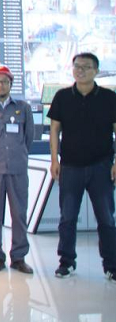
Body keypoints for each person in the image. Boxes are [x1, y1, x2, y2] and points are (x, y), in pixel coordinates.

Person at [47, 52, 116, 280]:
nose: (81, 70)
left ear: (96, 71)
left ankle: (111, 265)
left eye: (86, 67)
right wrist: (54, 160)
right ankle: (66, 262)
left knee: (106, 218)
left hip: (101, 166)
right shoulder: (62, 96)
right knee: (67, 217)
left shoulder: (109, 97)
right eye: (77, 66)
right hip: (70, 166)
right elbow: (55, 130)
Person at [0, 65, 34, 274]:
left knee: (19, 215)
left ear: (11, 84)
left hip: (17, 170)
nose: (1, 85)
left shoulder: (23, 108)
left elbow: (28, 137)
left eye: (5, 81)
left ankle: (18, 257)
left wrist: (18, 156)